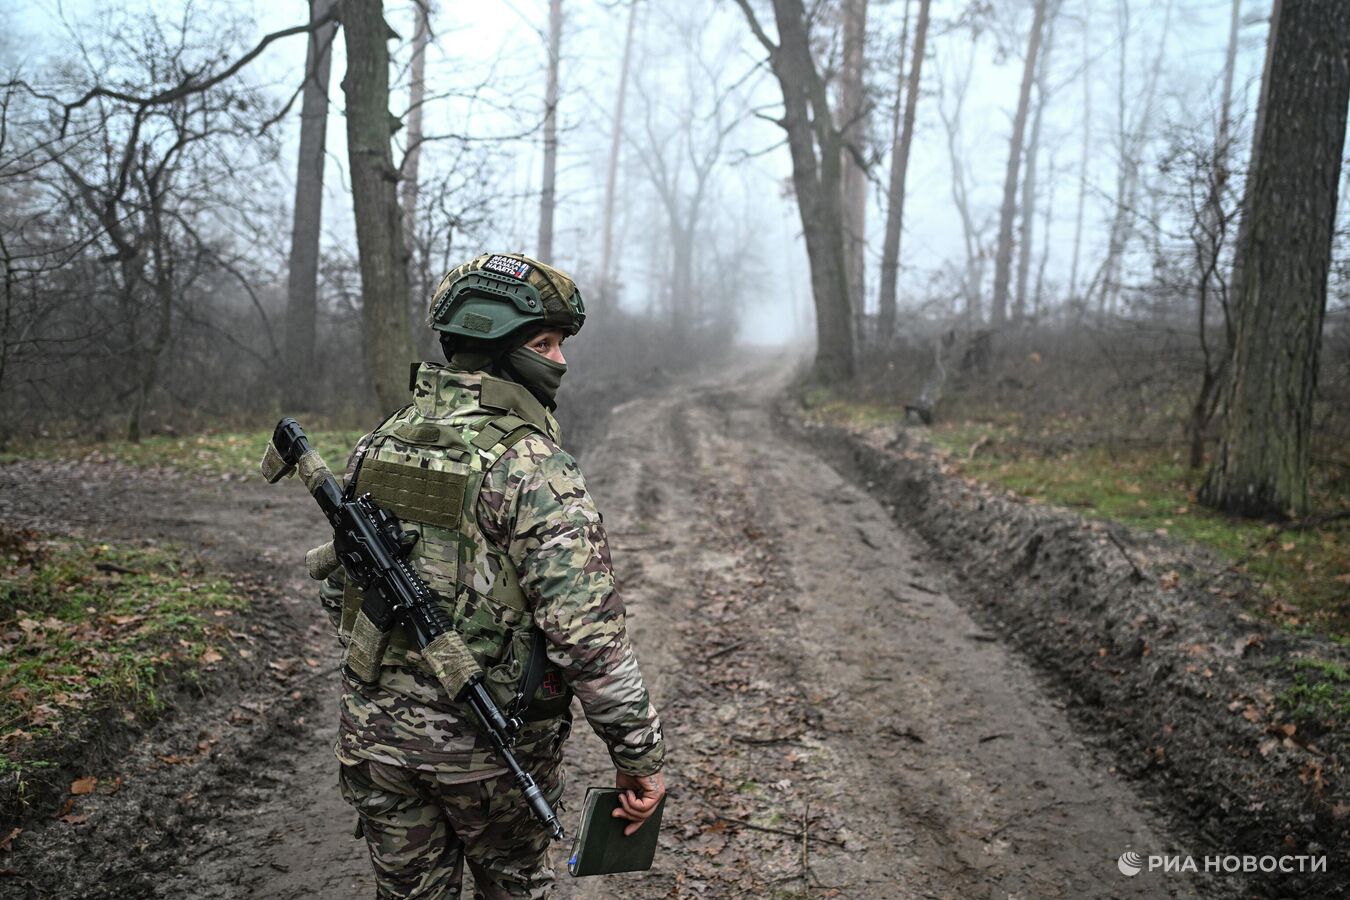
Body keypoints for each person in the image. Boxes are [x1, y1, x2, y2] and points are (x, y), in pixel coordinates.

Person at [318, 252, 667, 899]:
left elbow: (338, 591)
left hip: (379, 747)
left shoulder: (381, 441)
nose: (560, 360)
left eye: (560, 343)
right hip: (493, 762)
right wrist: (637, 757)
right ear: (495, 345)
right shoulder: (534, 469)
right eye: (544, 342)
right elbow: (589, 640)